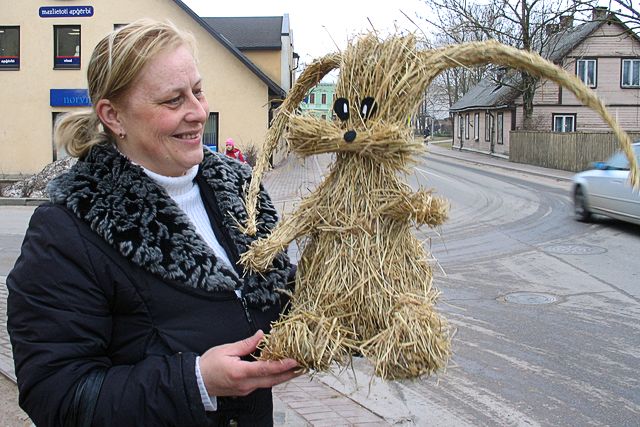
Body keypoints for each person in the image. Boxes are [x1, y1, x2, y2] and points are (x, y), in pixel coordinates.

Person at [7, 19, 300, 427]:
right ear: (113, 115)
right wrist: (197, 381)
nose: (198, 112)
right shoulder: (66, 230)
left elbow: (273, 298)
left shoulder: (239, 191)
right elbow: (57, 396)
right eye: (172, 101)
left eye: (197, 91)